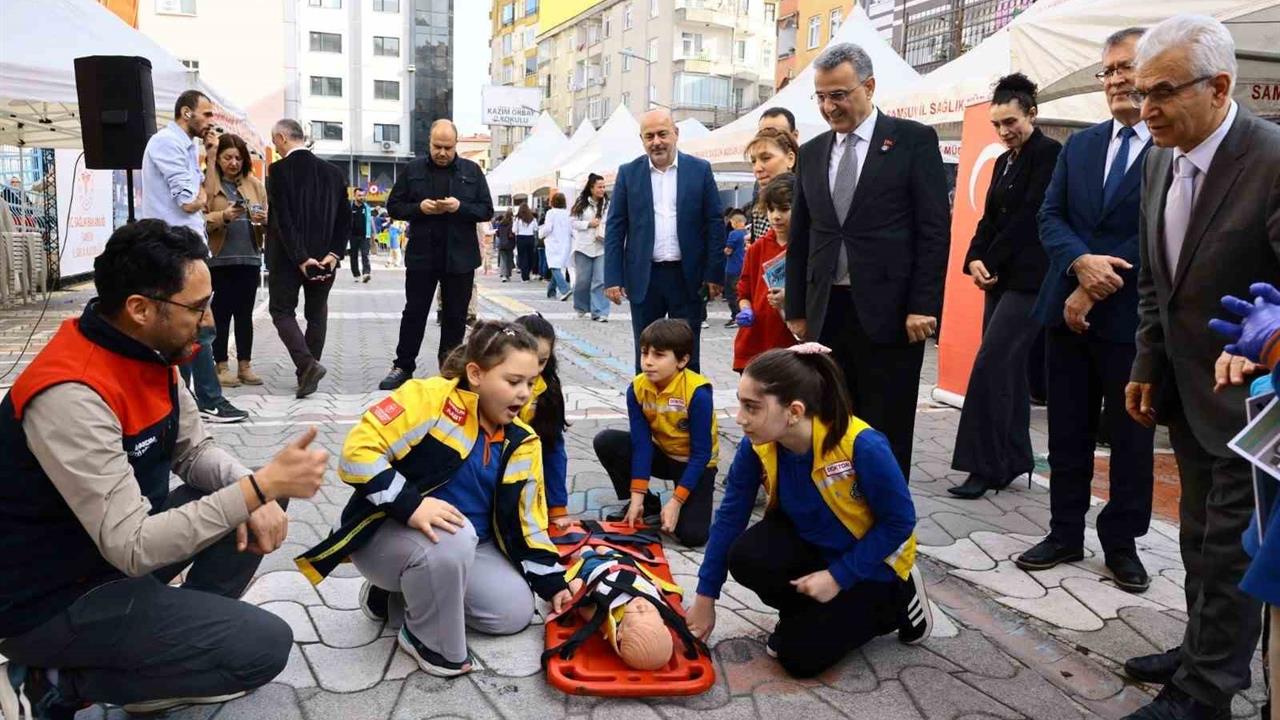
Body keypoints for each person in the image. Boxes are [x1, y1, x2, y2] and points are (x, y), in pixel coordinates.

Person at [0, 220, 330, 719]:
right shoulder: (73, 392)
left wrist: (258, 488)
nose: (209, 320)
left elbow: (194, 452)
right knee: (264, 646)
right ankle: (48, 685)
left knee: (257, 492)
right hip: (49, 600)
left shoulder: (148, 352)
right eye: (196, 307)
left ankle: (164, 645)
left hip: (110, 559)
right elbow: (132, 547)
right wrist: (257, 488)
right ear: (140, 308)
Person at [1123, 15, 1280, 720]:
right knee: (1194, 538)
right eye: (1136, 89)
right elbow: (1160, 281)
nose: (1142, 107)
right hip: (1185, 395)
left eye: (1161, 91)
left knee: (1226, 551)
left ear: (1219, 86)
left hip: (1251, 407)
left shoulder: (1271, 159)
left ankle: (1206, 691)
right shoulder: (1159, 155)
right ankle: (1201, 650)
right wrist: (1146, 362)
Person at [296, 321, 573, 678]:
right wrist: (412, 506)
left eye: (531, 383)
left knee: (513, 613)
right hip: (390, 532)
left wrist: (555, 584)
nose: (524, 394)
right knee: (453, 538)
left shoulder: (523, 440)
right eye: (512, 381)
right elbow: (356, 455)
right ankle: (426, 641)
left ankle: (400, 598)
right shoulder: (428, 399)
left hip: (470, 546)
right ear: (476, 373)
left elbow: (529, 524)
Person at [686, 345, 931, 679]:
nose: (740, 418)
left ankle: (898, 602)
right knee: (745, 555)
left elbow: (899, 522)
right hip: (814, 549)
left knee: (798, 659)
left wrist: (838, 577)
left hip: (874, 564)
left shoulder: (862, 446)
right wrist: (705, 596)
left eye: (751, 407)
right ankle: (810, 614)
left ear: (795, 411)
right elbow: (730, 518)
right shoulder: (757, 444)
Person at [1021, 28, 1156, 591]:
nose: (1117, 80)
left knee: (1130, 438)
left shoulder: (1173, 149)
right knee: (1068, 430)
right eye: (1109, 71)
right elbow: (1050, 217)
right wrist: (1080, 266)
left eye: (1127, 67)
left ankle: (1121, 542)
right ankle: (1064, 532)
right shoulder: (1079, 145)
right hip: (1066, 315)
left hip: (1132, 321)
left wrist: (1097, 280)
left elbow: (1159, 233)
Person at [783, 43, 950, 478]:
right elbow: (802, 235)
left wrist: (923, 305)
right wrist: (798, 308)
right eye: (820, 96)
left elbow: (933, 231)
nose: (828, 106)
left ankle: (887, 524)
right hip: (827, 311)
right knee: (830, 418)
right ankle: (835, 512)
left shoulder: (912, 141)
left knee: (886, 424)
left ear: (869, 86)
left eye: (838, 94)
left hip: (891, 313)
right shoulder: (814, 152)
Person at [946, 75, 1062, 500]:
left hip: (1031, 281)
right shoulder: (1003, 161)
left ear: (1032, 113)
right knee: (1007, 371)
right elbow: (989, 220)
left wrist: (988, 259)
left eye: (1010, 121)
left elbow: (1029, 218)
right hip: (999, 280)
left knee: (990, 366)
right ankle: (1015, 460)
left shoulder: (1050, 155)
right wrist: (974, 259)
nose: (1004, 130)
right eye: (997, 124)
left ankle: (983, 467)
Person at [140, 89, 248, 423]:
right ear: (186, 113)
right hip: (173, 246)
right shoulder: (166, 143)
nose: (210, 121)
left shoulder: (188, 147)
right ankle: (199, 401)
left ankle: (189, 401)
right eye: (206, 114)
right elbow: (190, 201)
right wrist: (200, 195)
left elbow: (207, 192)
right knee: (195, 325)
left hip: (188, 242)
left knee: (198, 324)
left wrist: (211, 155)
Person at [605, 109, 726, 373]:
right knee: (647, 352)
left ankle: (688, 411)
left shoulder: (700, 170)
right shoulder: (628, 173)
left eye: (662, 134)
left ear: (676, 134)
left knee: (687, 355)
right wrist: (613, 277)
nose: (656, 141)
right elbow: (615, 227)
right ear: (642, 139)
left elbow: (715, 224)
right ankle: (647, 411)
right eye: (649, 136)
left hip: (688, 278)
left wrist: (714, 273)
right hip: (644, 279)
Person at [379, 119, 494, 391]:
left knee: (455, 316)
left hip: (460, 257)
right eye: (437, 147)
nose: (442, 153)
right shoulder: (413, 169)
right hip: (423, 255)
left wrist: (459, 207)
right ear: (429, 143)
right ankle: (403, 366)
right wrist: (419, 208)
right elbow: (394, 206)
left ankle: (450, 372)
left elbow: (486, 210)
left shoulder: (472, 171)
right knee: (414, 312)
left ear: (456, 146)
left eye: (448, 147)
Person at [593, 319, 717, 547]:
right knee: (607, 441)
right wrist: (636, 497)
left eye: (658, 355)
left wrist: (676, 501)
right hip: (662, 455)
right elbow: (642, 445)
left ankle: (677, 502)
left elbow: (702, 455)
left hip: (695, 464)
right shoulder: (637, 388)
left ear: (683, 360)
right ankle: (648, 504)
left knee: (692, 536)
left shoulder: (698, 393)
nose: (647, 362)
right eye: (644, 353)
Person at [264, 119, 349, 399]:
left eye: (275, 141)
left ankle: (307, 365)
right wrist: (334, 254)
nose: (275, 147)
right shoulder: (334, 173)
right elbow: (344, 220)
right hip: (325, 261)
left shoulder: (277, 171)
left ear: (282, 138)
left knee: (281, 311)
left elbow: (283, 221)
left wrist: (301, 258)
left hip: (288, 259)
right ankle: (306, 373)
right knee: (317, 313)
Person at [202, 132, 267, 389]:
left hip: (249, 257)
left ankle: (245, 365)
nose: (233, 163)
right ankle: (221, 366)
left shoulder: (254, 185)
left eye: (238, 158)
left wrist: (263, 220)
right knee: (221, 313)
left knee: (244, 314)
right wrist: (224, 216)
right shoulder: (209, 184)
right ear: (217, 159)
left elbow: (266, 214)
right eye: (228, 157)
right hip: (220, 259)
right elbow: (200, 220)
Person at [734, 174, 800, 371]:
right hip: (756, 341)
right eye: (771, 209)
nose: (776, 216)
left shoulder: (808, 247)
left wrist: (791, 300)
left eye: (784, 209)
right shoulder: (757, 248)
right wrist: (746, 310)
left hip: (791, 343)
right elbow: (744, 291)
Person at [514, 314, 571, 528]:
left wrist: (557, 506)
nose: (535, 368)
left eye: (542, 361)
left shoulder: (549, 391)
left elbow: (553, 448)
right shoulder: (491, 384)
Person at [745, 126, 799, 244]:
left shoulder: (808, 200)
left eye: (766, 158)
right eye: (753, 161)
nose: (757, 168)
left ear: (790, 159)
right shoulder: (758, 197)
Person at [571, 174, 610, 322]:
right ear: (591, 188)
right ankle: (581, 307)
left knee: (600, 280)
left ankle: (599, 312)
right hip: (583, 247)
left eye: (603, 187)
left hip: (601, 246)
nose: (602, 189)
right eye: (599, 186)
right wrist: (588, 224)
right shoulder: (581, 204)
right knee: (583, 280)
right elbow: (573, 222)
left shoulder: (608, 204)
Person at [539, 193, 573, 301]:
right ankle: (551, 291)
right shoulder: (568, 214)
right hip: (565, 243)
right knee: (558, 266)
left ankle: (565, 288)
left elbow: (548, 228)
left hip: (553, 242)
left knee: (554, 266)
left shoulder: (551, 213)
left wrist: (541, 233)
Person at [722, 209, 747, 328]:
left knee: (731, 294)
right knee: (740, 293)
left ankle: (736, 316)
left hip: (732, 268)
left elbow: (728, 250)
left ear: (736, 222)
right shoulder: (747, 234)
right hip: (743, 267)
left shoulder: (733, 234)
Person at [348, 187, 373, 283]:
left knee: (365, 255)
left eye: (363, 195)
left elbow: (370, 222)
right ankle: (356, 274)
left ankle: (366, 273)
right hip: (352, 236)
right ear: (354, 196)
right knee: (353, 256)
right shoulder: (349, 207)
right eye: (359, 195)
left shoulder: (367, 208)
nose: (361, 197)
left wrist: (373, 236)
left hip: (364, 236)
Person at [513, 203, 539, 282]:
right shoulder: (532, 219)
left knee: (522, 257)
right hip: (530, 238)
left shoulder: (517, 219)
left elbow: (514, 230)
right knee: (530, 256)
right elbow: (536, 228)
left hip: (520, 238)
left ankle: (524, 277)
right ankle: (528, 273)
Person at [495, 209, 516, 281]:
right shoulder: (511, 224)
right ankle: (507, 275)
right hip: (509, 244)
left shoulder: (500, 223)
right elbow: (511, 235)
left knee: (503, 259)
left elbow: (497, 234)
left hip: (501, 244)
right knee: (509, 259)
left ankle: (503, 275)